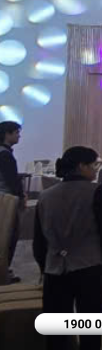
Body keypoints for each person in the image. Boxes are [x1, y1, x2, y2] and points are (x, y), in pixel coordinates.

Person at [34, 146, 102, 350]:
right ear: (82, 166)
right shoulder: (97, 192)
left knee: (56, 332)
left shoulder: (45, 196)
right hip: (90, 266)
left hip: (55, 268)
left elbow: (39, 240)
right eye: (94, 165)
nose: (96, 169)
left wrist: (44, 267)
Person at [0, 121, 24, 282]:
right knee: (9, 236)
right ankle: (4, 272)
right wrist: (21, 197)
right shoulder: (5, 155)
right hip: (6, 200)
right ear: (7, 134)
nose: (19, 136)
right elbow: (12, 181)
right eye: (16, 132)